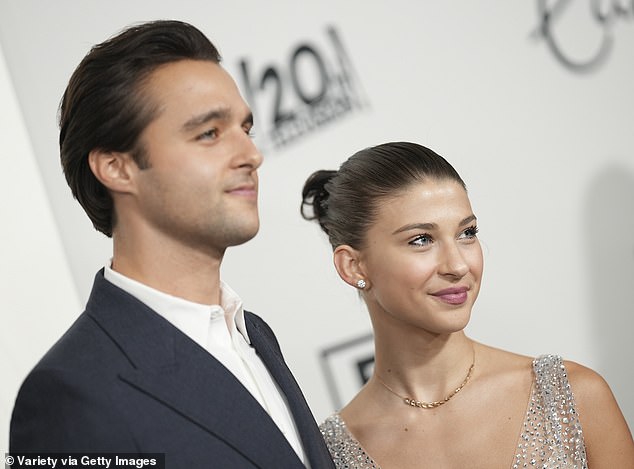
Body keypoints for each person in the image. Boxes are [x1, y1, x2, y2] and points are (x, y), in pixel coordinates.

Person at [10, 20, 335, 469]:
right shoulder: (70, 393)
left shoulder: (253, 334)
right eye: (209, 134)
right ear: (117, 168)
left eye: (246, 128)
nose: (251, 155)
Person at [301, 142, 634, 468]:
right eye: (421, 240)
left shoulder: (569, 397)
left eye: (467, 233)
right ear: (354, 267)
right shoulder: (331, 456)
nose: (458, 265)